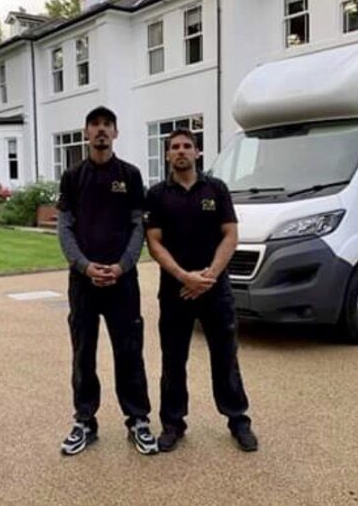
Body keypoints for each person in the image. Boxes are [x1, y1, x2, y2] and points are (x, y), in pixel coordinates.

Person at [144, 128, 258, 452]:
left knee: (225, 357)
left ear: (197, 153)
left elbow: (230, 235)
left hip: (215, 290)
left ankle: (238, 420)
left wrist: (207, 277)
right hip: (175, 292)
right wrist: (184, 277)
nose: (181, 151)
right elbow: (154, 242)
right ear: (167, 155)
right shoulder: (156, 195)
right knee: (173, 360)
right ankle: (172, 424)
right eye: (174, 147)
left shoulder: (217, 189)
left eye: (187, 146)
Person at [56, 106, 157, 456]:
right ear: (86, 132)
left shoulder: (130, 175)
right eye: (95, 125)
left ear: (116, 133)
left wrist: (122, 265)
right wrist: (83, 266)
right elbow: (65, 227)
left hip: (122, 281)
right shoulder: (72, 177)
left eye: (107, 125)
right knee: (83, 353)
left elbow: (137, 226)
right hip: (83, 283)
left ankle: (139, 420)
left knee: (129, 351)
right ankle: (85, 420)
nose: (101, 131)